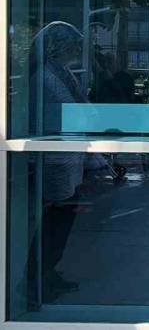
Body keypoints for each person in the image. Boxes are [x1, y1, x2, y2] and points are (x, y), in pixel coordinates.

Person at [28, 22, 89, 299]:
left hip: (67, 156)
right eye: (73, 45)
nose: (77, 50)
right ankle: (36, 280)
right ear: (58, 47)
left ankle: (46, 273)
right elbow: (71, 112)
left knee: (60, 220)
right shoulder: (47, 77)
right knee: (55, 221)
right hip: (56, 159)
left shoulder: (61, 72)